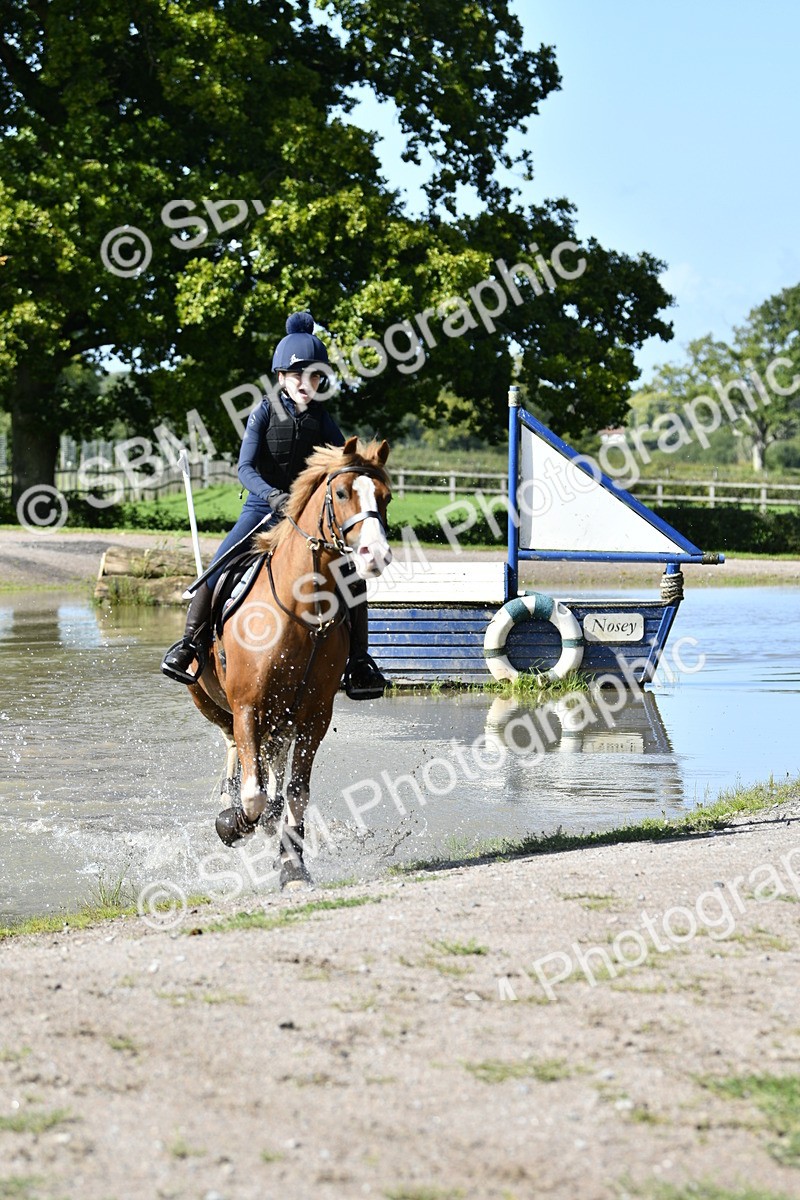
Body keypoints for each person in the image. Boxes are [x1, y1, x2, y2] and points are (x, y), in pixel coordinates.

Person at [160, 311, 389, 700]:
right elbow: (244, 467)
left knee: (353, 579)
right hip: (260, 509)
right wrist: (271, 496)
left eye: (315, 376)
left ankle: (359, 661)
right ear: (282, 377)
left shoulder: (322, 418)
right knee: (217, 567)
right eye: (299, 376)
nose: (307, 383)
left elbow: (343, 466)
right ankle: (189, 646)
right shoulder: (264, 411)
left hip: (305, 517)